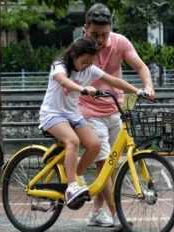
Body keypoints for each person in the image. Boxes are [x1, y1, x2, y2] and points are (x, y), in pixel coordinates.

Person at [38, 36, 142, 210]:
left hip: (73, 114)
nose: (86, 66)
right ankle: (71, 187)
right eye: (84, 62)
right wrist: (83, 89)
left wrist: (138, 91)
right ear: (73, 55)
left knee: (95, 145)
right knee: (73, 141)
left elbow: (114, 81)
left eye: (90, 62)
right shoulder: (59, 66)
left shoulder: (90, 69)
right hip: (53, 114)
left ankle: (76, 175)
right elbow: (63, 81)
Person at [78, 3, 155, 228]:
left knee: (110, 167)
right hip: (89, 111)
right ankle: (118, 215)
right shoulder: (79, 47)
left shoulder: (120, 42)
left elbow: (141, 67)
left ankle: (96, 213)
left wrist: (148, 86)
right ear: (85, 29)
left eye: (104, 34)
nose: (100, 40)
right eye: (94, 35)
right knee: (104, 166)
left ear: (111, 29)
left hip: (117, 110)